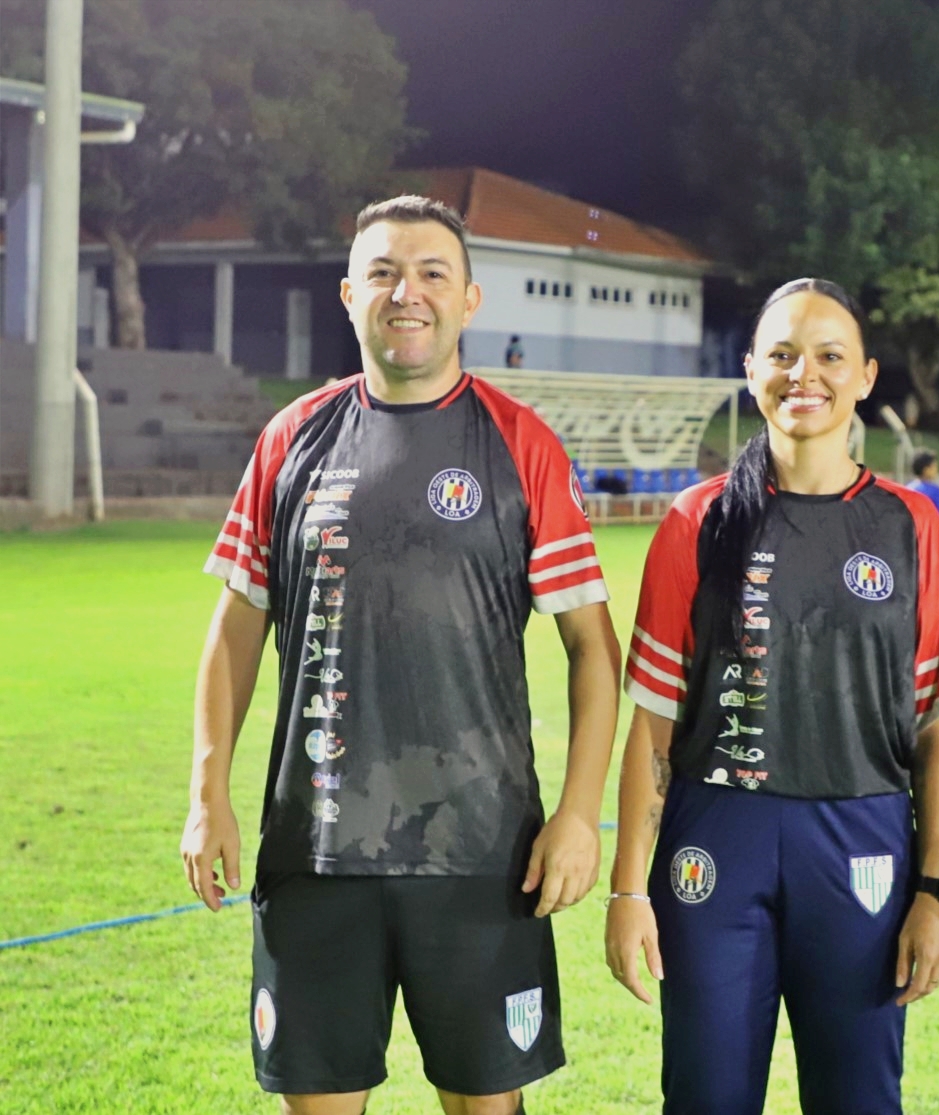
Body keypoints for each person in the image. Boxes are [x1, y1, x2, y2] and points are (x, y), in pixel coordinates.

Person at [182, 195, 621, 1115]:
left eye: (431, 273)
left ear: (469, 299)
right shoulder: (291, 439)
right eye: (382, 272)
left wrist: (580, 812)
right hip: (314, 848)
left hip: (481, 853)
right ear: (350, 295)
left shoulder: (520, 444)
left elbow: (592, 647)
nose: (406, 292)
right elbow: (235, 628)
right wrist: (206, 792)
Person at [604, 277, 939, 1115]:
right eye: (781, 354)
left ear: (865, 376)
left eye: (829, 356)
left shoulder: (911, 525)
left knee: (859, 1099)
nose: (803, 374)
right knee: (705, 1098)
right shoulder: (697, 520)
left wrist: (935, 891)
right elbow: (654, 725)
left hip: (861, 839)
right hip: (716, 839)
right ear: (751, 370)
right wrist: (628, 890)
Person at [907, 448, 939, 519]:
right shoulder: (934, 490)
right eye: (934, 466)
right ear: (926, 470)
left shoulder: (908, 488)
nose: (936, 469)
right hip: (929, 525)